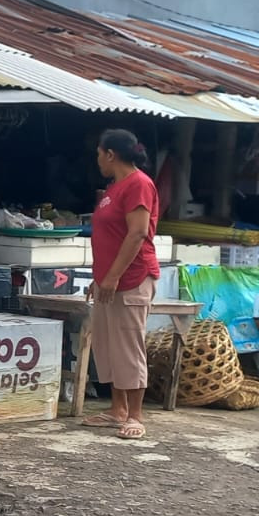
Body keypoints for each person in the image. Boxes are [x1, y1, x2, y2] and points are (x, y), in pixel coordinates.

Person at [84, 129, 161, 441]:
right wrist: (99, 277)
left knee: (129, 345)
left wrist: (113, 276)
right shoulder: (115, 188)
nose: (98, 160)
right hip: (109, 279)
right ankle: (116, 409)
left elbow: (137, 233)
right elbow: (110, 237)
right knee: (108, 345)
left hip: (132, 278)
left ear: (110, 154)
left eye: (99, 154)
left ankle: (135, 415)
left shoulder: (139, 184)